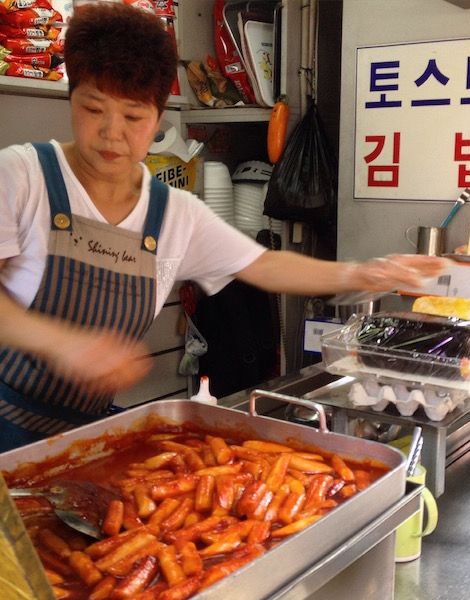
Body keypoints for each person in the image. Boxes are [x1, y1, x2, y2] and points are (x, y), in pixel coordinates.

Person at [0, 3, 447, 452]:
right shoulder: (22, 176)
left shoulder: (172, 213)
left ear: (158, 119)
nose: (110, 132)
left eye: (133, 117)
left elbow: (265, 266)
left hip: (86, 432)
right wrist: (60, 343)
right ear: (70, 99)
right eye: (93, 108)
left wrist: (363, 275)